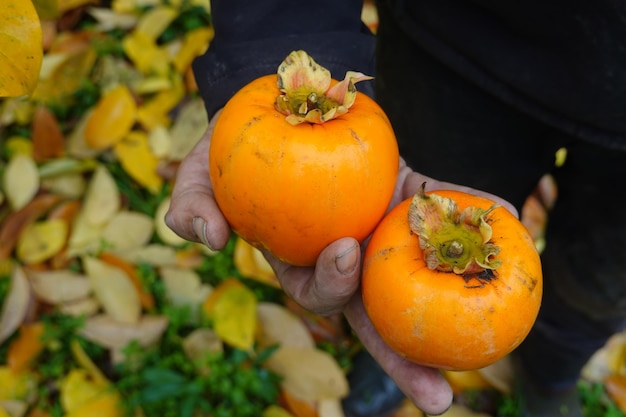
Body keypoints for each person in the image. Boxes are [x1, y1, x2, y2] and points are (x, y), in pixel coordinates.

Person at [165, 1, 626, 416]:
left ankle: (553, 372)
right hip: (459, 48)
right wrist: (277, 39)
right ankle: (392, 341)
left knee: (603, 281)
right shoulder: (366, 148)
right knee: (416, 204)